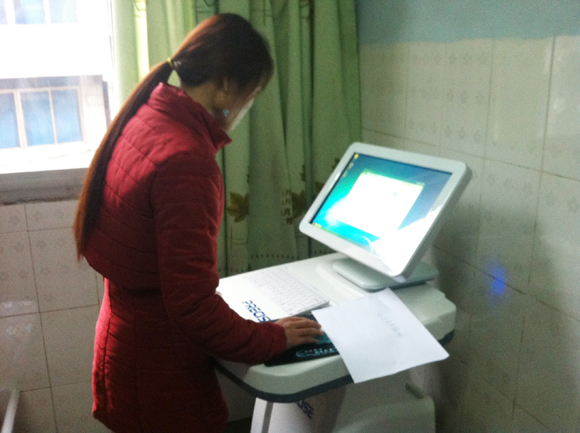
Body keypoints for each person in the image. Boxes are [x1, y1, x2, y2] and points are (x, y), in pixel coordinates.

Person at [73, 13, 323, 433]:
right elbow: (192, 307)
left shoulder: (147, 117)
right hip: (157, 368)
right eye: (250, 95)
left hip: (126, 342)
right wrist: (273, 338)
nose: (244, 108)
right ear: (226, 84)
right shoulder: (186, 160)